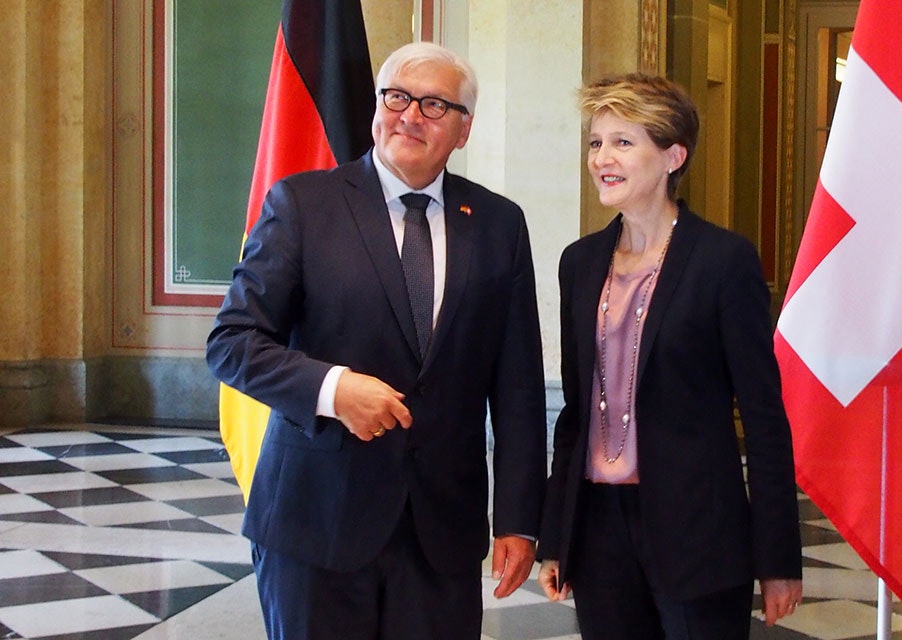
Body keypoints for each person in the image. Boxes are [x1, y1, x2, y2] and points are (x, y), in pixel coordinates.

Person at [207, 42, 547, 640]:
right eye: (397, 97)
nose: (410, 115)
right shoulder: (302, 205)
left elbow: (517, 387)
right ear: (376, 108)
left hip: (442, 535)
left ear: (463, 130)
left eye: (435, 105)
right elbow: (232, 342)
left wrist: (519, 519)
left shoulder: (498, 224)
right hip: (317, 524)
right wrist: (332, 389)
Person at [536, 73, 803, 640]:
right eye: (595, 142)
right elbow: (576, 412)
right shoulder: (579, 263)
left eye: (622, 142)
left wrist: (778, 556)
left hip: (697, 530)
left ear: (673, 155)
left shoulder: (724, 261)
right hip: (599, 531)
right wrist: (555, 534)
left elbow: (764, 418)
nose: (601, 157)